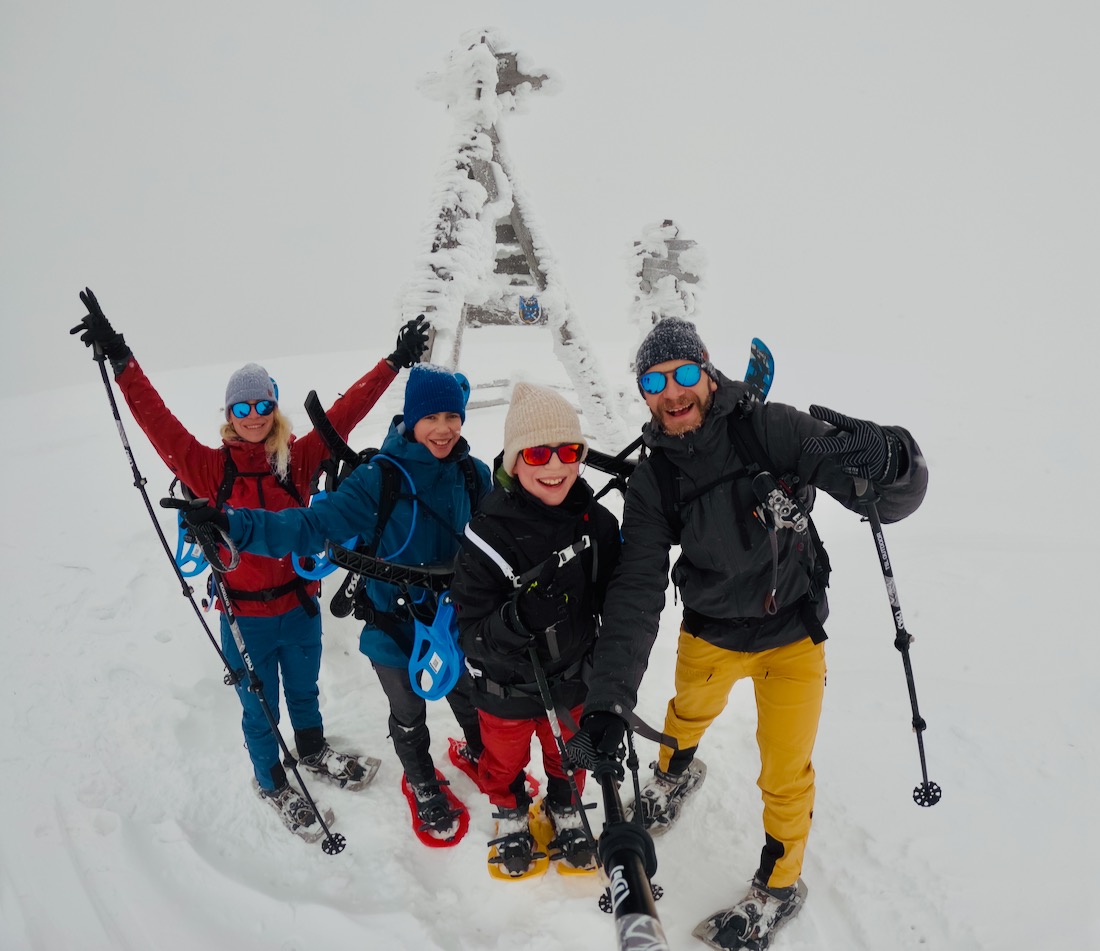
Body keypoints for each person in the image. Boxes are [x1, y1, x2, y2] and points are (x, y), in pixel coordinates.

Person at [566, 318, 928, 949]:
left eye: (682, 374)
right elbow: (638, 588)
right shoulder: (654, 480)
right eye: (655, 381)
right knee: (684, 718)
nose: (672, 392)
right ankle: (676, 773)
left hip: (793, 635)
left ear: (707, 370)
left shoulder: (772, 428)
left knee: (786, 775)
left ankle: (779, 889)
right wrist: (609, 698)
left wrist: (895, 459)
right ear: (644, 394)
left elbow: (881, 498)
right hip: (711, 633)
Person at [71, 287, 428, 841]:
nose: (254, 416)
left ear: (273, 409)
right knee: (258, 708)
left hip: (300, 608)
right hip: (244, 617)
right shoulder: (207, 469)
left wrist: (394, 362)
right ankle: (269, 779)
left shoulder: (298, 459)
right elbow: (157, 422)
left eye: (263, 405)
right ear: (229, 415)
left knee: (305, 692)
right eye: (242, 408)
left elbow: (345, 414)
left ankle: (311, 751)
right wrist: (121, 358)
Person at [182, 364, 491, 844]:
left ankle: (480, 753)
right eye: (432, 416)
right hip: (390, 622)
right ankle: (419, 779)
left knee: (465, 693)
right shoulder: (379, 480)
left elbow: (498, 538)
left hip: (448, 622)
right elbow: (306, 525)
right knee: (406, 711)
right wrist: (233, 525)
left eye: (453, 415)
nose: (445, 427)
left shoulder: (474, 476)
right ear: (412, 418)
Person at [449, 383, 622, 878]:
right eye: (538, 452)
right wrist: (519, 619)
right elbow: (472, 633)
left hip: (572, 682)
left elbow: (621, 594)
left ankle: (564, 803)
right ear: (513, 461)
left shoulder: (597, 525)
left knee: (570, 754)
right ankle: (509, 811)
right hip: (504, 691)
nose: (555, 466)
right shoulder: (486, 534)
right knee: (502, 762)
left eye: (569, 451)